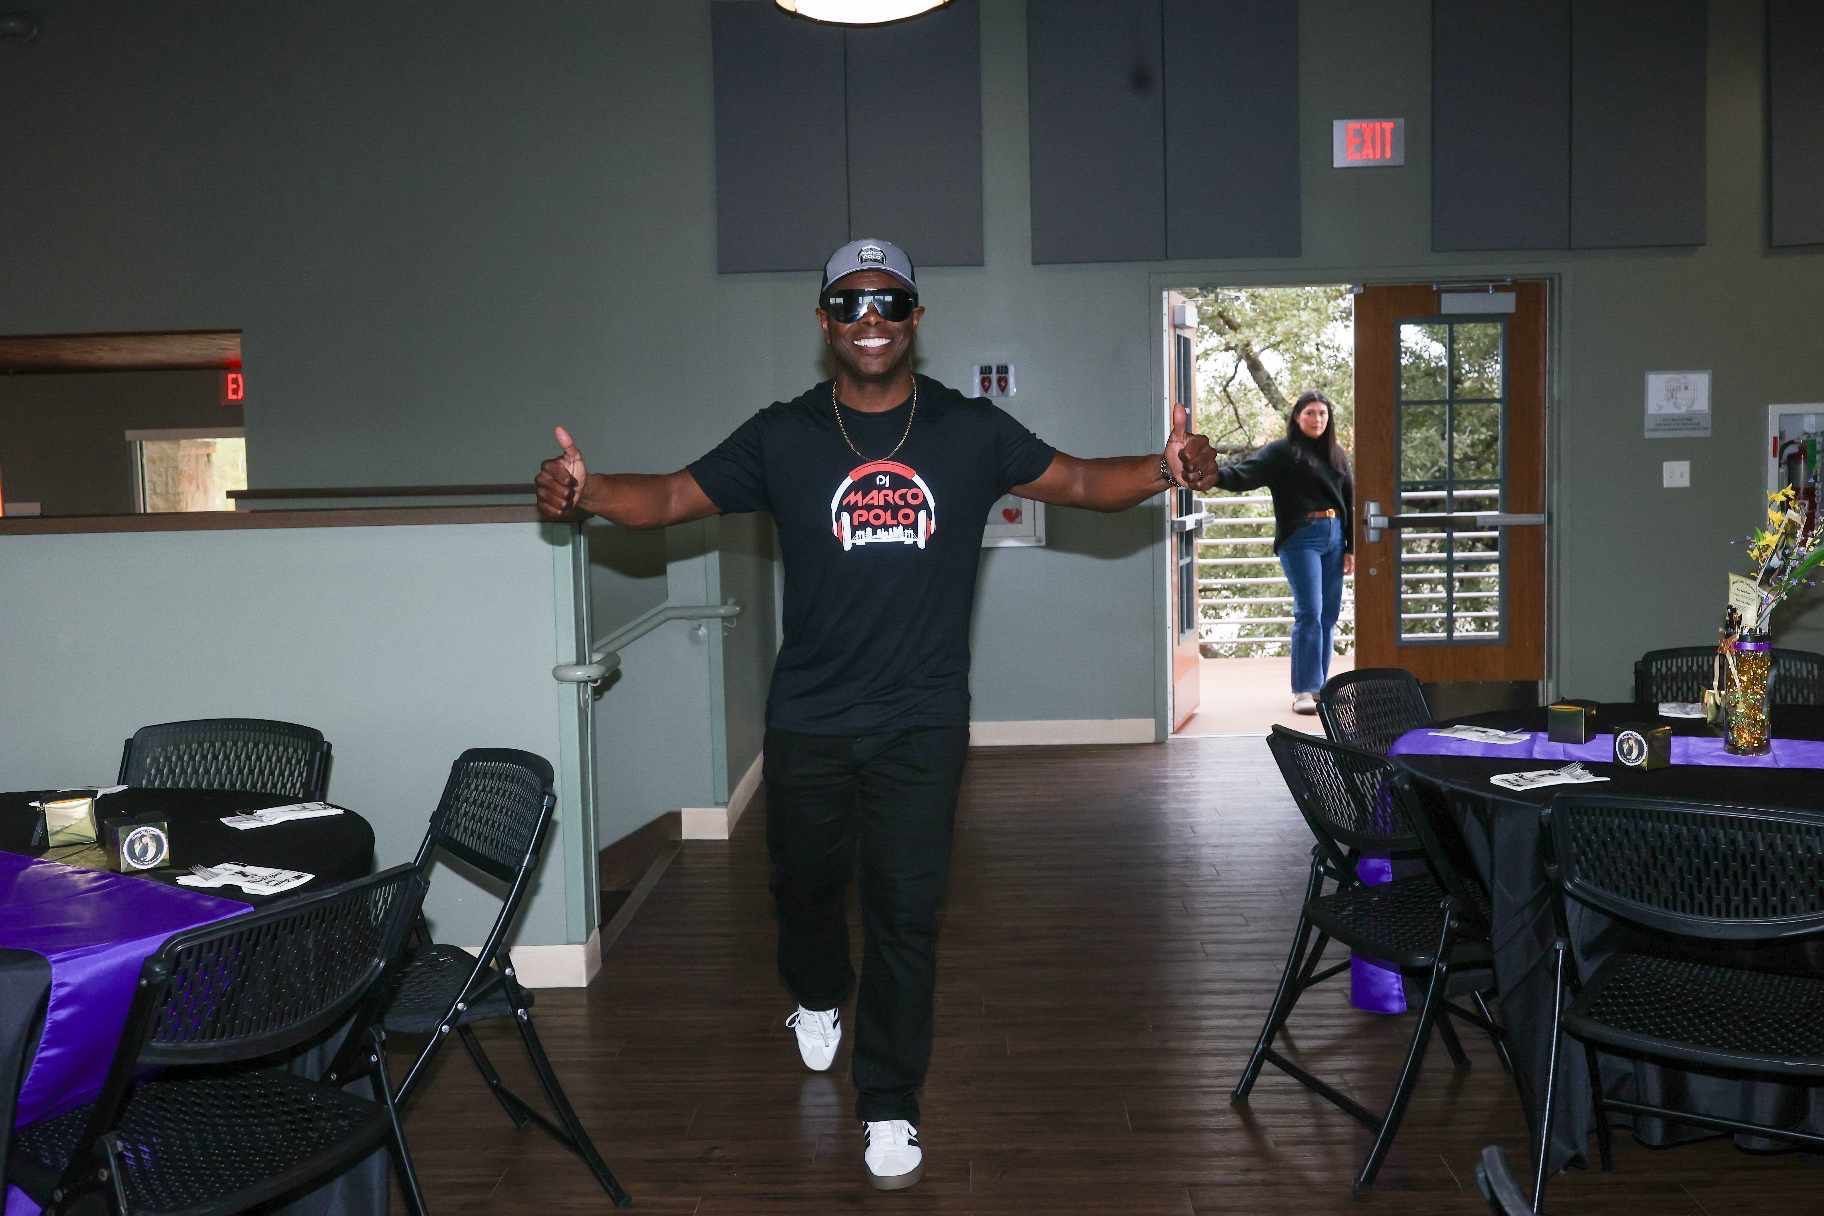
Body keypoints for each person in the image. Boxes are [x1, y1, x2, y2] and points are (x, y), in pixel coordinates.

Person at [534, 238, 1218, 1191]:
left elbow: (1077, 483)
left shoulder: (969, 431)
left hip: (922, 720)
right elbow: (674, 496)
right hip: (810, 715)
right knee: (806, 889)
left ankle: (889, 1100)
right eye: (850, 302)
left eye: (889, 302)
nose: (870, 319)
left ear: (915, 321)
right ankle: (816, 994)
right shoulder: (783, 436)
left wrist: (1167, 466)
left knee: (906, 912)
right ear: (823, 321)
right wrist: (588, 491)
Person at [1212, 390, 1354, 714]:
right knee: (1310, 612)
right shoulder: (1281, 452)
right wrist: (1210, 473)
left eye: (1322, 414)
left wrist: (1351, 548)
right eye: (1310, 413)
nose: (1316, 419)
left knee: (1329, 615)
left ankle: (1321, 689)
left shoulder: (1337, 455)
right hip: (1301, 537)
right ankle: (1304, 690)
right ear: (1296, 417)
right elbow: (1243, 473)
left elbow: (1350, 500)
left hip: (1335, 537)